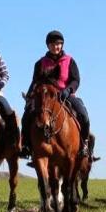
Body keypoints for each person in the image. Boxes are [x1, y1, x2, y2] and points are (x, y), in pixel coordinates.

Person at [19, 30, 97, 166]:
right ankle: (27, 147)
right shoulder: (40, 63)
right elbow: (35, 82)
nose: (57, 46)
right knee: (27, 116)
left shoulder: (70, 61)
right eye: (54, 44)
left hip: (65, 95)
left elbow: (76, 80)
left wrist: (68, 90)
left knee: (84, 115)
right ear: (48, 46)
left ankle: (84, 145)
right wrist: (30, 96)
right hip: (45, 97)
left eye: (60, 44)